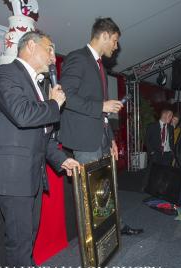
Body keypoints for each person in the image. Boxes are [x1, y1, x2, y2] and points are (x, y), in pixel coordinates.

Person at [0, 31, 80, 268]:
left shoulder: (37, 85)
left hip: (31, 176)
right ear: (30, 46)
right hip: (12, 176)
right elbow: (23, 115)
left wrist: (61, 160)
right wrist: (54, 104)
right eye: (49, 49)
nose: (52, 56)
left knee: (28, 235)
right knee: (20, 239)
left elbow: (44, 137)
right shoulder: (4, 75)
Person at [59, 18, 142, 236]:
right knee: (91, 192)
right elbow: (65, 96)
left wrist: (111, 139)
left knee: (105, 188)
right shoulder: (78, 58)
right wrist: (101, 105)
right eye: (114, 41)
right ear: (104, 35)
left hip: (100, 138)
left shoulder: (100, 67)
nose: (116, 47)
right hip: (85, 140)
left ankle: (113, 227)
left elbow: (101, 113)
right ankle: (94, 242)